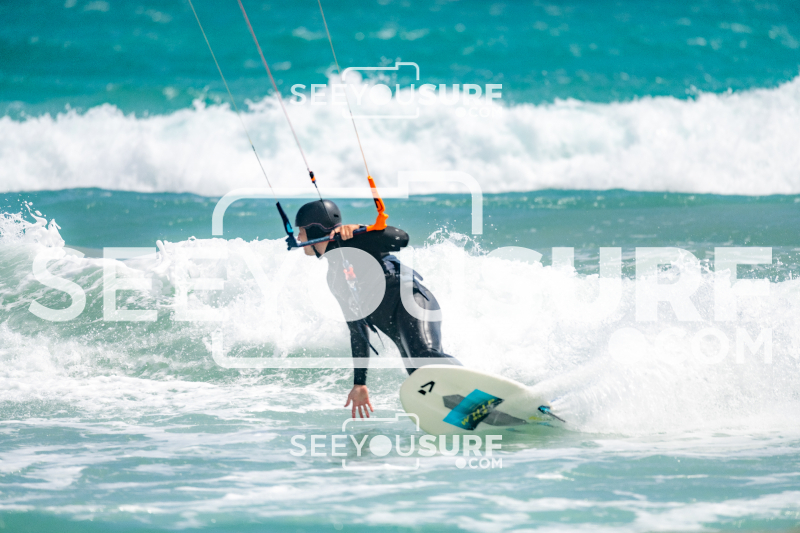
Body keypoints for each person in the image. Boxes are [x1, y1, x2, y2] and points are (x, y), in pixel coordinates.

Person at [295, 199, 461, 419]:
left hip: (411, 303)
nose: (298, 238)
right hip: (397, 330)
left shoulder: (355, 242)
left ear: (315, 229)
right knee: (424, 380)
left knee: (425, 356)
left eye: (301, 231)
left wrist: (361, 229)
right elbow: (357, 330)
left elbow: (401, 238)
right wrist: (359, 384)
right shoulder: (333, 278)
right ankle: (473, 412)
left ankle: (481, 390)